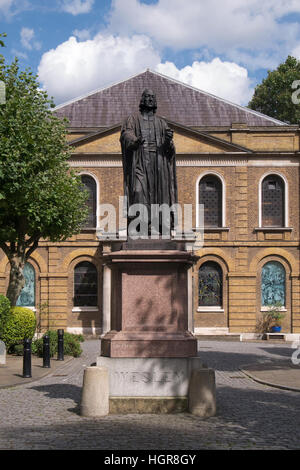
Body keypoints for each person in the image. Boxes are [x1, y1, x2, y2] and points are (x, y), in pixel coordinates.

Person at [120, 89, 178, 235]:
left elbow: (169, 150)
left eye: (152, 97)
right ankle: (139, 227)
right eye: (147, 97)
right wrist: (135, 140)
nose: (150, 99)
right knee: (138, 191)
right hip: (140, 161)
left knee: (161, 195)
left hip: (158, 163)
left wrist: (168, 140)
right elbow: (126, 134)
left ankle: (159, 226)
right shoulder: (133, 119)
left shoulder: (161, 123)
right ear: (142, 100)